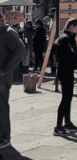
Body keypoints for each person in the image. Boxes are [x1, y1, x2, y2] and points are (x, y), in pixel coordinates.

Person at [53, 18, 77, 136]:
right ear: (71, 27)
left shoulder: (67, 37)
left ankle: (67, 123)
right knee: (65, 98)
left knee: (68, 98)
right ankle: (58, 127)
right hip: (65, 71)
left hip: (66, 70)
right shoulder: (66, 38)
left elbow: (73, 53)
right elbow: (73, 55)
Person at [0, 13, 26, 149]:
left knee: (2, 108)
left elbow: (21, 49)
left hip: (2, 79)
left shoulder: (9, 32)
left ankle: (4, 138)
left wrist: (5, 69)